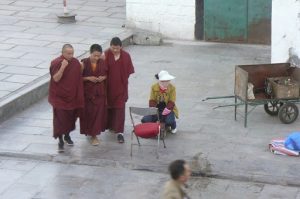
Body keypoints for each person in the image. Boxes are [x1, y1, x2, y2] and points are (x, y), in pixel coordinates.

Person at [48, 44, 84, 152]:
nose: (71, 55)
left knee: (70, 118)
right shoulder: (56, 62)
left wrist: (81, 67)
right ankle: (60, 140)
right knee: (60, 120)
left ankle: (67, 136)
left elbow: (77, 76)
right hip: (59, 97)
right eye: (68, 53)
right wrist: (63, 67)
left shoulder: (75, 62)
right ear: (62, 53)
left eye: (72, 53)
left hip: (71, 96)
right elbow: (56, 79)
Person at [105, 37, 135, 143]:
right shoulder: (106, 54)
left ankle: (120, 132)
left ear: (121, 47)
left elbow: (129, 71)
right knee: (110, 108)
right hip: (108, 88)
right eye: (113, 48)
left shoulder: (126, 56)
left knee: (120, 109)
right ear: (110, 46)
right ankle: (111, 126)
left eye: (117, 48)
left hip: (121, 88)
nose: (115, 51)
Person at [80, 44, 107, 146]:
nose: (96, 58)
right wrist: (88, 78)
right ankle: (90, 133)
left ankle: (94, 135)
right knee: (89, 115)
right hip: (88, 94)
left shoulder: (102, 62)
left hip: (99, 93)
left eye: (98, 56)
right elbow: (78, 78)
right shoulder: (84, 63)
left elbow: (106, 74)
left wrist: (103, 78)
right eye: (94, 55)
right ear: (90, 53)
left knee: (97, 115)